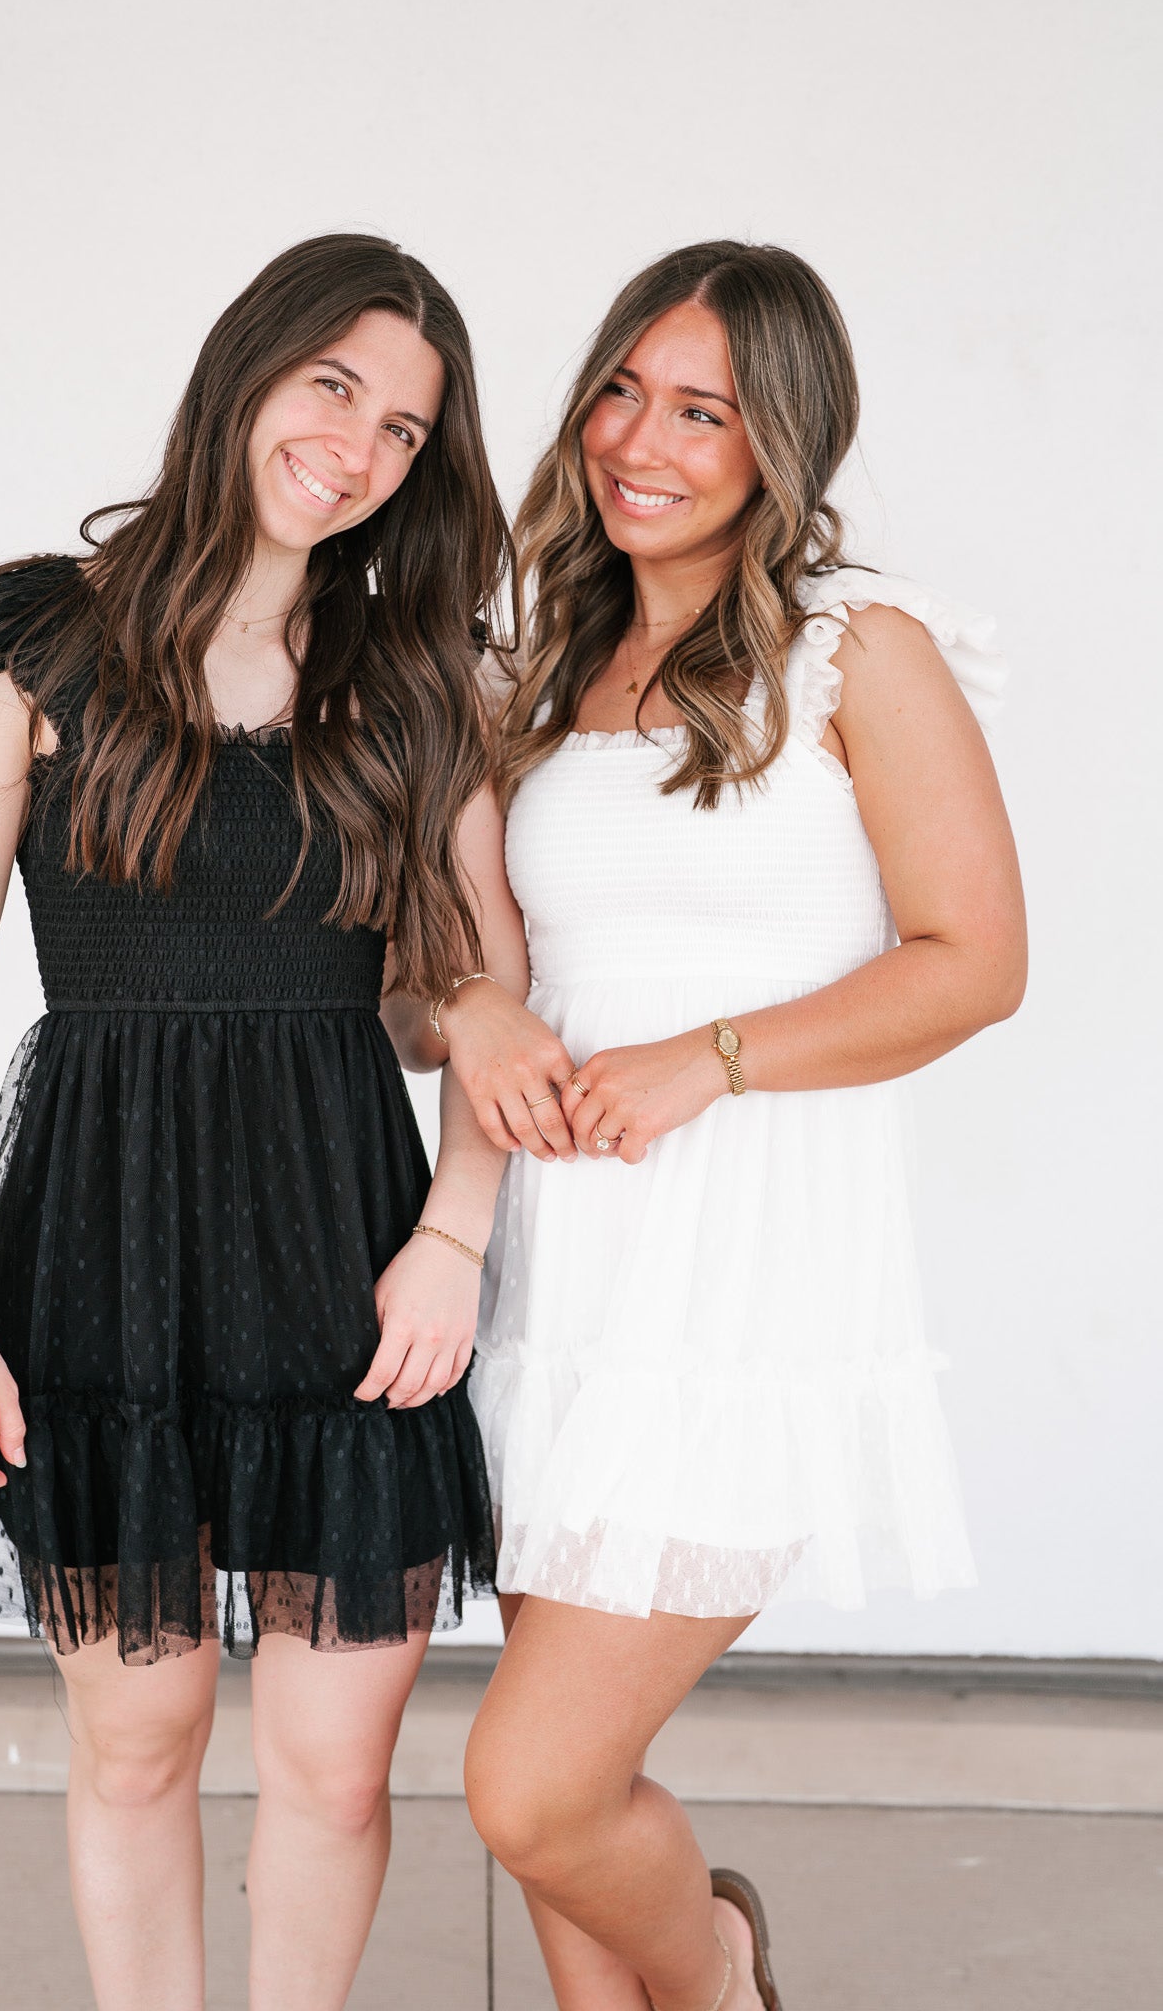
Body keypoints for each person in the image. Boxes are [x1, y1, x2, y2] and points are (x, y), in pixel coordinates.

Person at [0, 233, 529, 2011]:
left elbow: (482, 987)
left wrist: (456, 1234)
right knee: (138, 1746)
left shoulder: (420, 670)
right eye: (334, 387)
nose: (358, 448)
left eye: (404, 430)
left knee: (335, 1769)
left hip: (348, 1247)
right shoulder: (22, 638)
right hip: (100, 1241)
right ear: (247, 370)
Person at [429, 241, 1026, 2011]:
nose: (640, 441)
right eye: (621, 391)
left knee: (531, 1790)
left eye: (701, 411)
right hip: (553, 1279)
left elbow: (975, 964)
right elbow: (466, 955)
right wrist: (468, 1007)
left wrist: (712, 1058)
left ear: (782, 440)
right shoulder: (539, 661)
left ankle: (717, 1973)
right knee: (567, 1785)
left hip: (742, 1287)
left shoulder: (857, 651)